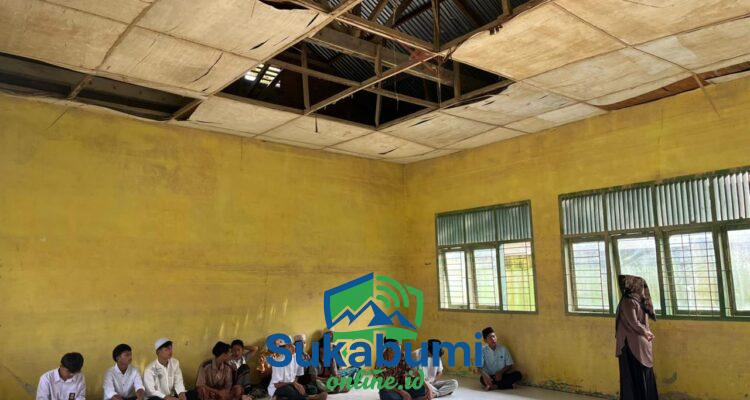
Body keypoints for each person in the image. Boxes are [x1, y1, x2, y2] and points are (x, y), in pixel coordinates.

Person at [616, 275, 658, 400]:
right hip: (642, 342)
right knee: (643, 374)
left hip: (632, 344)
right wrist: (647, 333)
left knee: (633, 375)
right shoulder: (640, 301)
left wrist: (645, 333)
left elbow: (634, 323)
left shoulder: (628, 301)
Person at [268, 335, 327, 400]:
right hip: (278, 387)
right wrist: (293, 384)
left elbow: (296, 376)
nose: (293, 347)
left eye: (292, 345)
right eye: (289, 346)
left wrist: (296, 385)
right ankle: (309, 398)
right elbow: (276, 385)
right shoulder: (278, 361)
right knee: (289, 390)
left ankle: (282, 398)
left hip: (291, 385)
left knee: (312, 389)